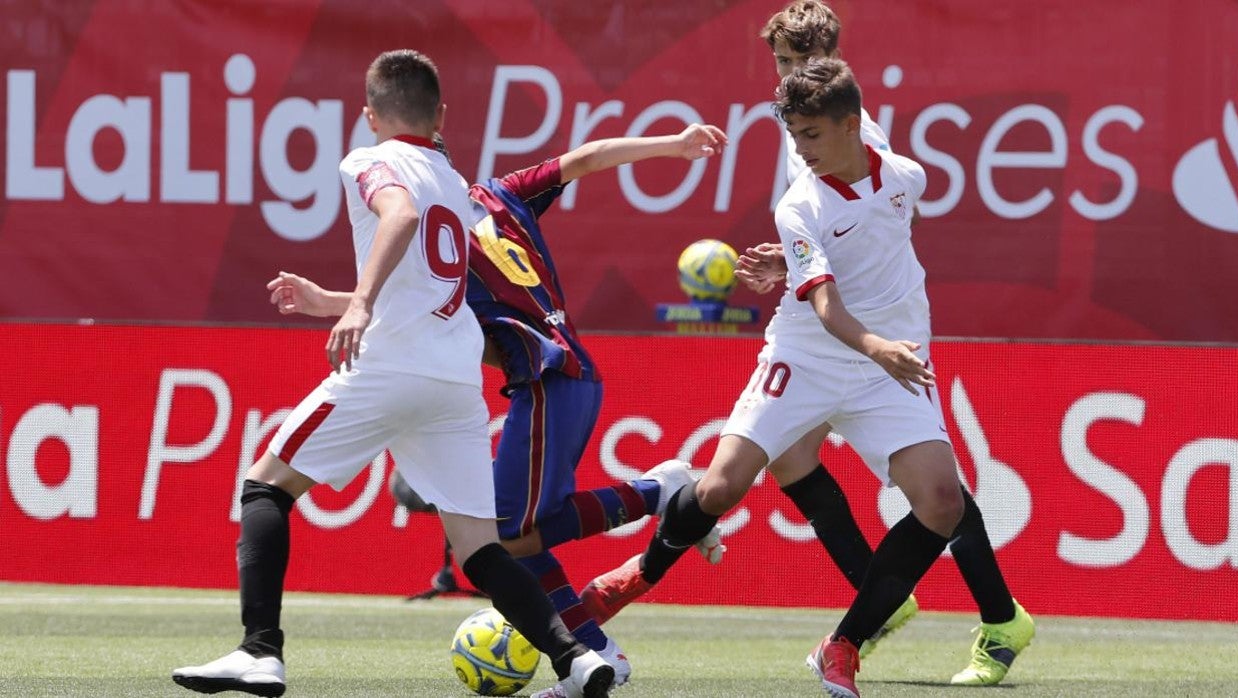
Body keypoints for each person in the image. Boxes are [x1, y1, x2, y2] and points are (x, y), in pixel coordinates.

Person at [584, 1, 1035, 688]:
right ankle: (641, 569)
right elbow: (824, 288)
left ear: (843, 96)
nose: (790, 87)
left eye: (802, 66)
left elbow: (874, 229)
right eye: (783, 67)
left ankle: (876, 631)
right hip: (815, 348)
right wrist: (799, 264)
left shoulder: (895, 167)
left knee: (939, 499)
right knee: (728, 483)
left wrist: (856, 311)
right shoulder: (802, 174)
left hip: (888, 352)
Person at [171, 49, 614, 698]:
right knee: (481, 550)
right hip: (454, 379)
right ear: (440, 116)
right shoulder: (456, 181)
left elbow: (400, 218)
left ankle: (259, 652)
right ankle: (577, 659)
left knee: (266, 486)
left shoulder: (367, 159)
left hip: (390, 366)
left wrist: (357, 304)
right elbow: (429, 278)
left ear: (368, 116)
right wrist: (333, 299)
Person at [264, 124, 730, 698]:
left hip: (545, 379)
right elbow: (585, 158)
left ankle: (646, 525)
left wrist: (337, 303)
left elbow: (424, 307)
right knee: (521, 533)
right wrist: (671, 145)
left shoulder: (444, 234)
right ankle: (598, 636)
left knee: (506, 537)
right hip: (570, 375)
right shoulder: (502, 193)